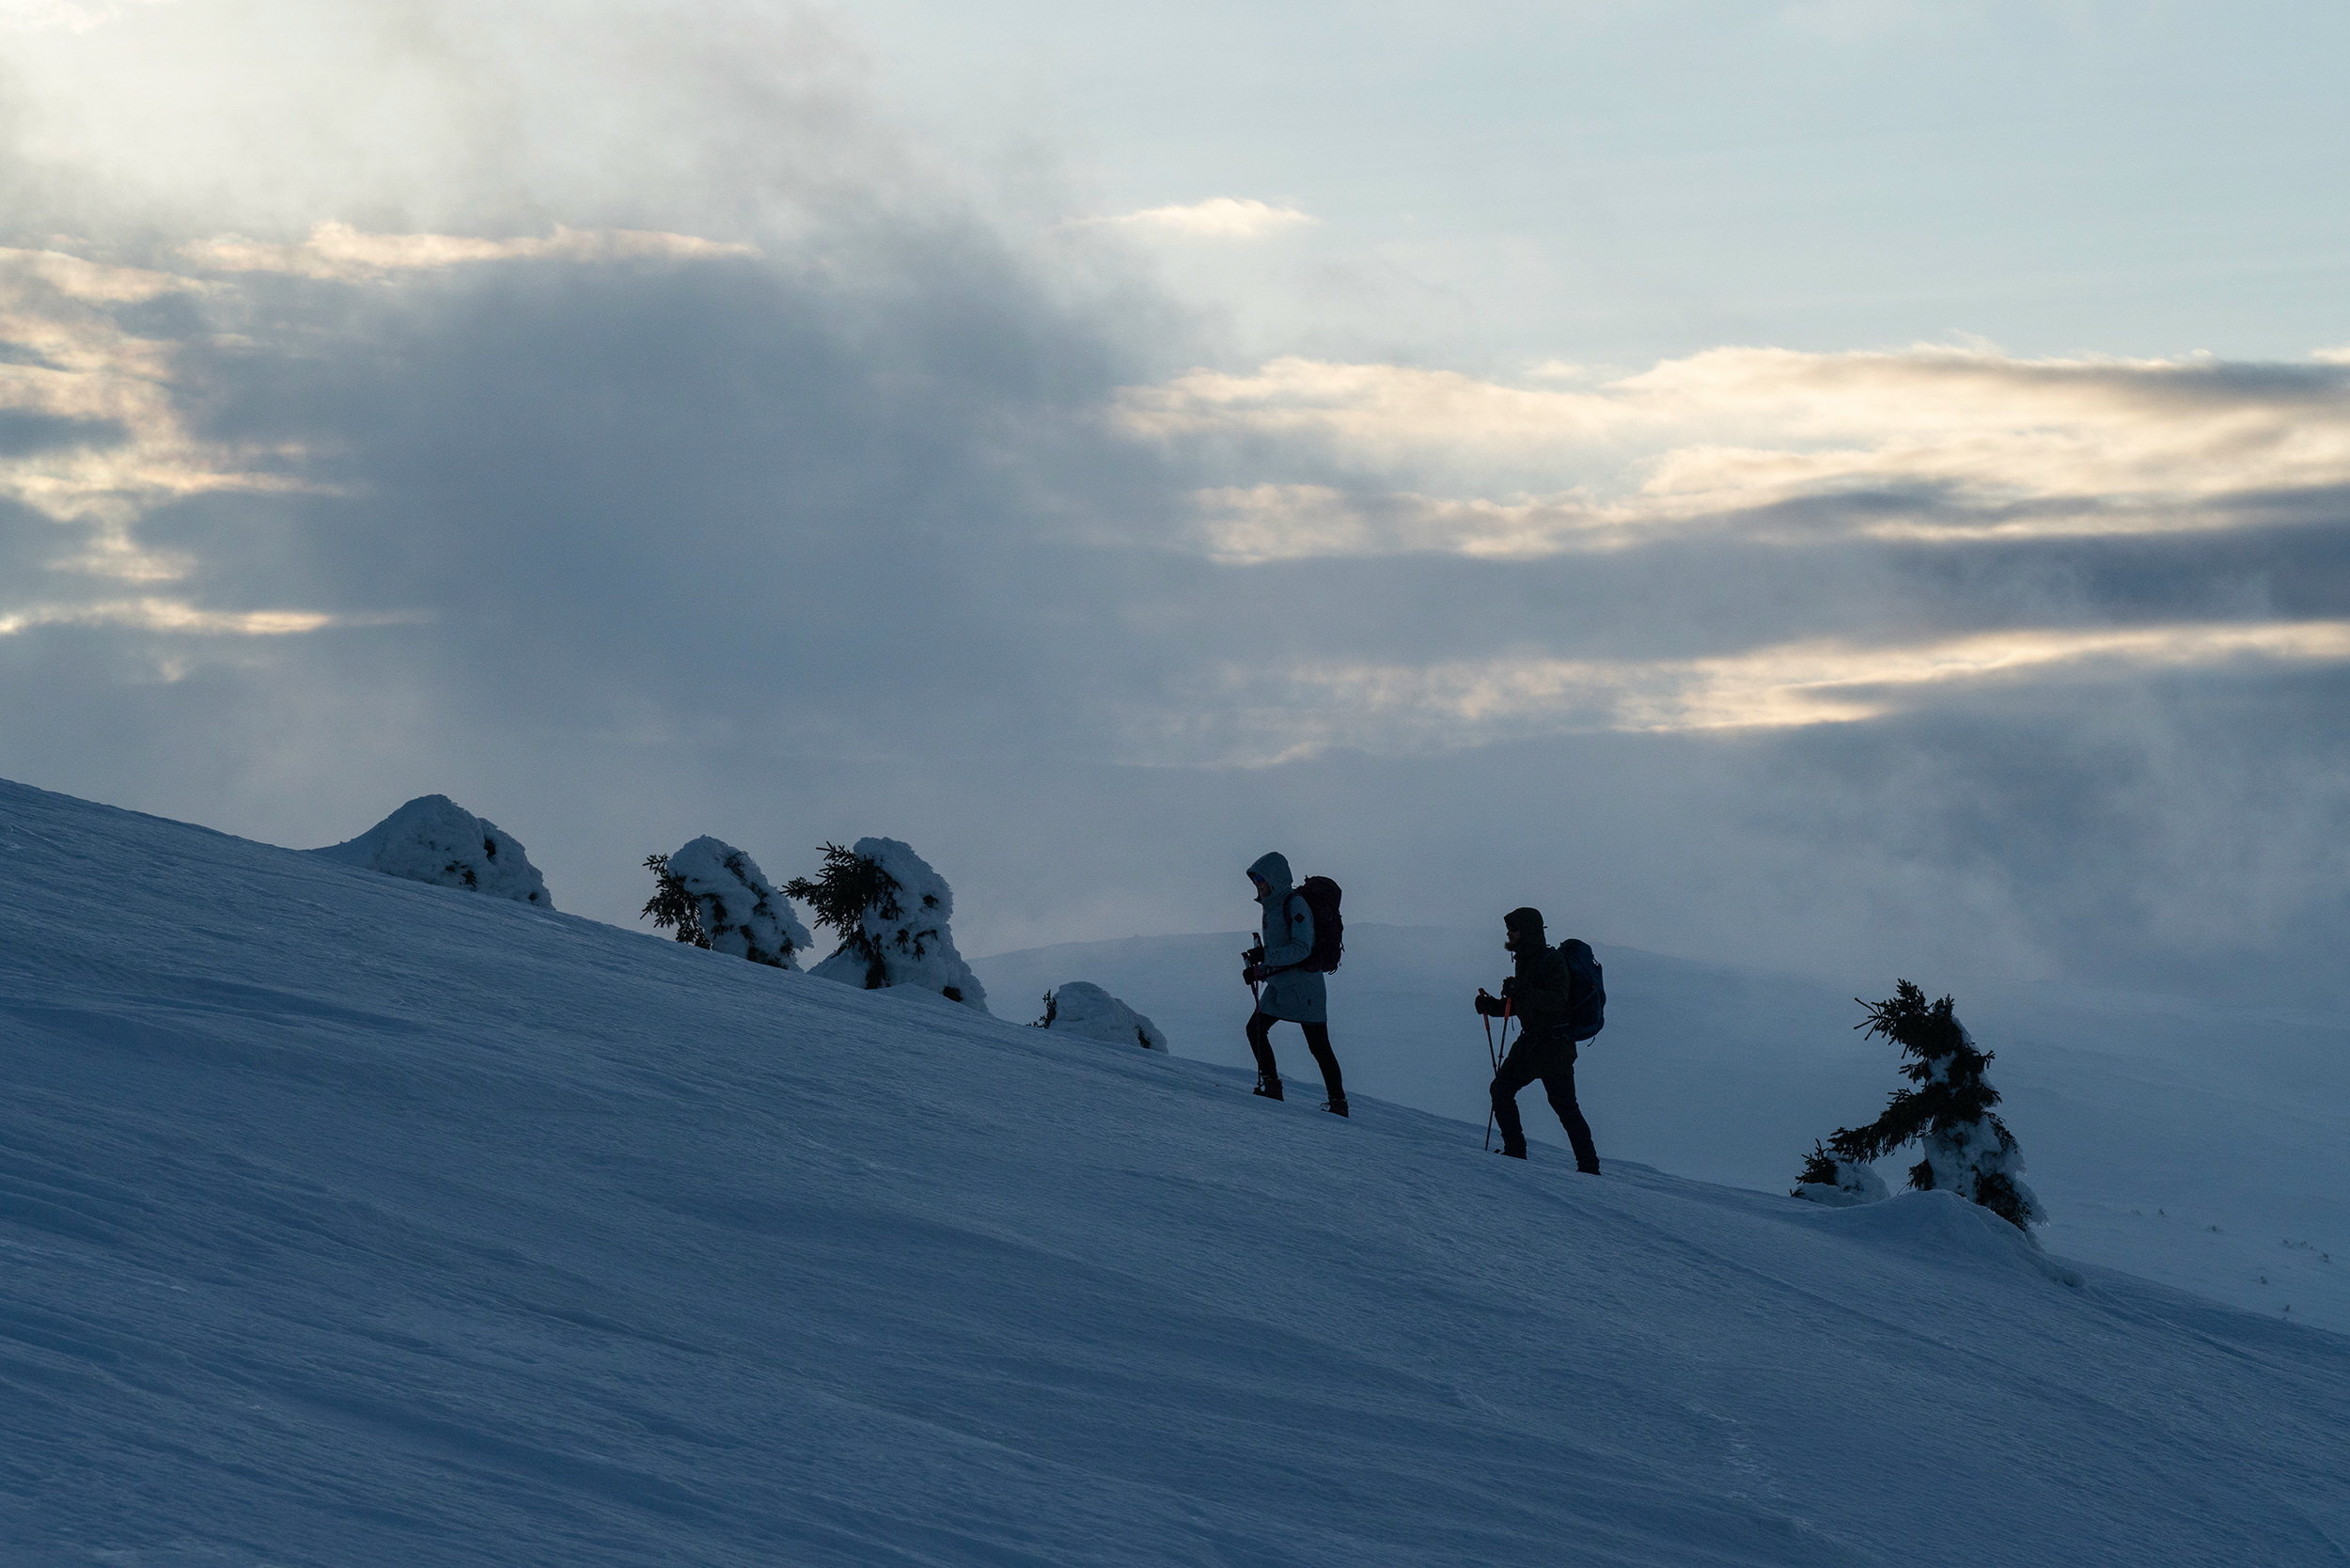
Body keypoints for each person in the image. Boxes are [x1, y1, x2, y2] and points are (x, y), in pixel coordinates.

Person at [1475, 906, 1600, 1171]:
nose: (1509, 933)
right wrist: (1492, 1007)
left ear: (1528, 932)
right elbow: (1522, 1004)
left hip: (1553, 1046)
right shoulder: (1526, 960)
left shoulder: (1551, 960)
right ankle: (1518, 1152)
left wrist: (1520, 990)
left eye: (1514, 929)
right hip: (1534, 1044)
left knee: (1562, 1106)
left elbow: (1557, 1001)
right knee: (1504, 1090)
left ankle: (1586, 1166)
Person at [1241, 852, 1347, 1116]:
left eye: (1262, 880)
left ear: (1276, 879)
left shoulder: (1295, 904)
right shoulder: (1272, 906)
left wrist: (1266, 957)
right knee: (1254, 1029)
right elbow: (1279, 951)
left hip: (1304, 989)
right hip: (1279, 986)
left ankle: (1338, 1103)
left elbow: (1301, 948)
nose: (1259, 886)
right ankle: (1272, 1087)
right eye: (1256, 881)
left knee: (1319, 1047)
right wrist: (1259, 971)